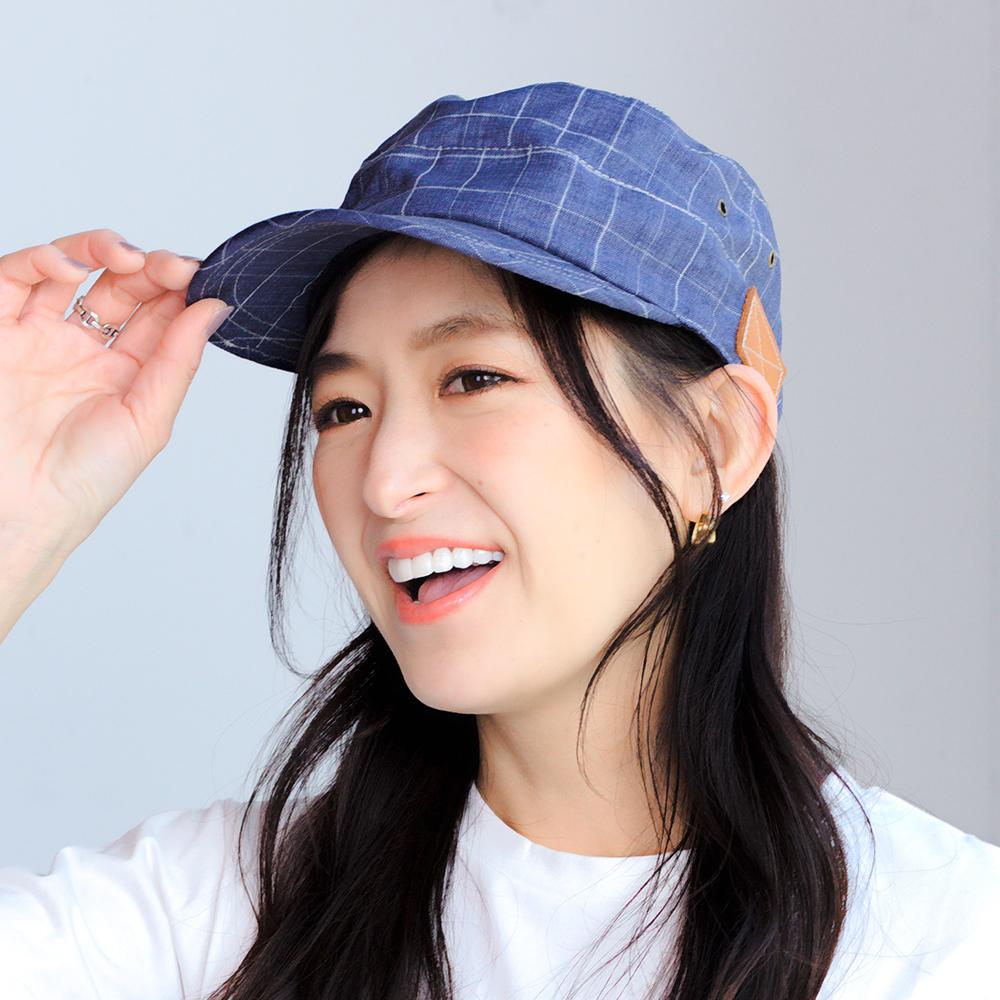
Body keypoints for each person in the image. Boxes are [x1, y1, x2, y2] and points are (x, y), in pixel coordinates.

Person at [1, 82, 998, 1000]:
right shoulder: (220, 913)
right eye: (344, 408)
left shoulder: (942, 943)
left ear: (713, 443)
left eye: (473, 379)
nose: (384, 481)